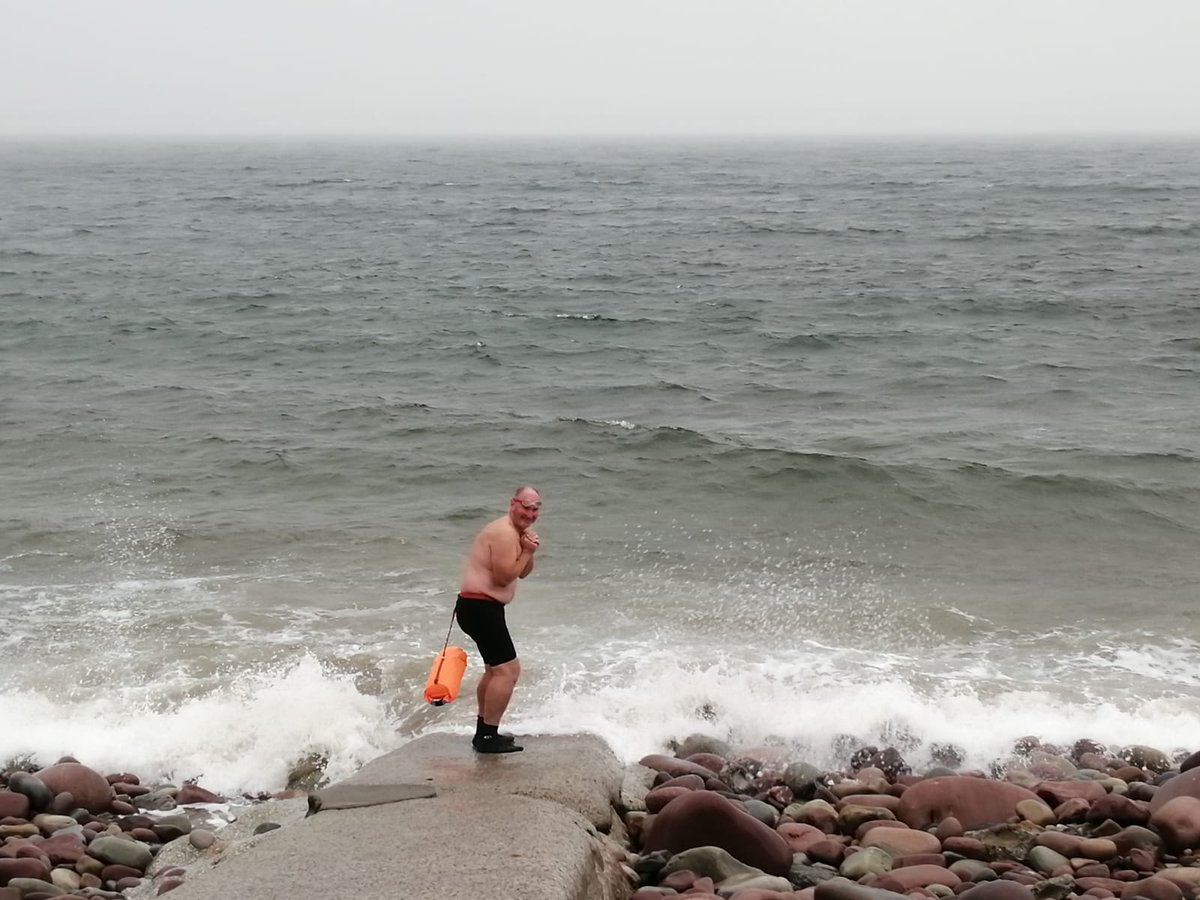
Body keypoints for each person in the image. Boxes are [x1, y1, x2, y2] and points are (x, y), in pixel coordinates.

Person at [454, 486, 542, 753]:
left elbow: (523, 573)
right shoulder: (504, 532)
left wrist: (529, 549)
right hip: (479, 608)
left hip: (480, 608)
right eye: (526, 506)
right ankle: (488, 737)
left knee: (495, 670)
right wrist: (526, 551)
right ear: (512, 504)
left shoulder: (516, 532)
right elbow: (504, 577)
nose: (530, 513)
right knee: (508, 670)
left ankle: (484, 733)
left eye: (536, 508)